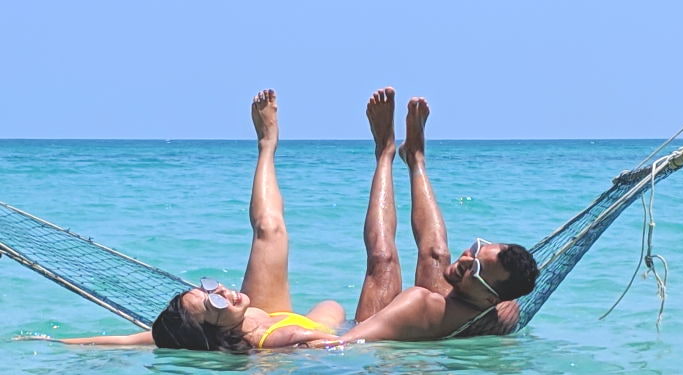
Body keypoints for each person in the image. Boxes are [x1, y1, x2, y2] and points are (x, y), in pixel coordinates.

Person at [48, 90, 345, 351]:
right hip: (292, 327)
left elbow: (124, 341)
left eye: (209, 289)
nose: (223, 292)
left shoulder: (191, 330)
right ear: (216, 331)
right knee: (334, 309)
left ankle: (267, 144)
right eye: (213, 302)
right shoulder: (270, 341)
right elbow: (343, 346)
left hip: (264, 313)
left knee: (269, 229)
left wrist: (51, 343)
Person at [309, 87, 538, 347]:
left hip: (373, 332)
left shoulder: (419, 302)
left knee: (382, 258)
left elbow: (342, 345)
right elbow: (509, 300)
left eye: (475, 268)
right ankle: (416, 157)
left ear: (489, 299)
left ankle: (384, 152)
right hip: (450, 317)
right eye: (476, 249)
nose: (465, 259)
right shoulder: (496, 308)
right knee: (438, 253)